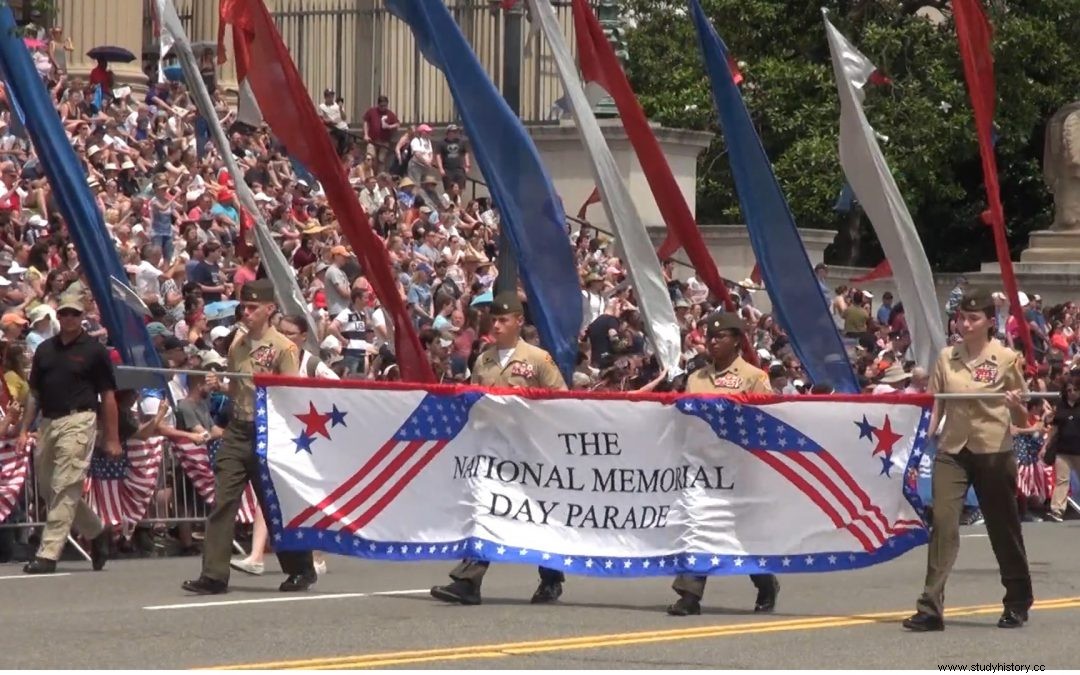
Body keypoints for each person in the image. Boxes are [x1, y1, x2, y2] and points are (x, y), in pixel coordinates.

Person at [903, 288, 1032, 632]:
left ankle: (1017, 601)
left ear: (991, 321)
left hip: (993, 451)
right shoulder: (947, 357)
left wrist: (1016, 403)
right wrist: (920, 446)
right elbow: (937, 406)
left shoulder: (1006, 358)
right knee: (944, 523)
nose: (965, 323)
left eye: (973, 318)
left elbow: (1023, 419)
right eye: (961, 317)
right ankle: (931, 606)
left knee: (1002, 527)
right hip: (953, 450)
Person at [430, 291, 567, 606]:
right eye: (494, 319)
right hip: (493, 450)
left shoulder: (537, 359)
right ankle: (468, 582)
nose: (497, 325)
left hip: (531, 450)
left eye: (504, 319)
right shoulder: (484, 359)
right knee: (485, 508)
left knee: (538, 515)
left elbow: (562, 400)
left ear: (519, 321)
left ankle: (550, 579)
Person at [182, 279, 316, 595]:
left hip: (268, 432)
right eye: (244, 306)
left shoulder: (284, 348)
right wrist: (221, 384)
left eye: (254, 307)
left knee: (274, 504)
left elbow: (291, 394)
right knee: (223, 500)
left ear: (270, 309)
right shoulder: (238, 345)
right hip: (238, 430)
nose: (247, 312)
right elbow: (237, 387)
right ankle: (214, 574)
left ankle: (300, 568)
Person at [667, 312, 780, 616]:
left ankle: (765, 580)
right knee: (699, 524)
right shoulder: (696, 378)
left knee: (741, 531)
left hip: (739, 466)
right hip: (701, 467)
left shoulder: (754, 377)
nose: (712, 341)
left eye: (720, 337)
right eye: (709, 336)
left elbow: (764, 421)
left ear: (737, 340)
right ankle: (689, 594)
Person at [17, 295, 118, 574]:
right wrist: (25, 429)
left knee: (65, 485)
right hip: (48, 421)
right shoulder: (45, 349)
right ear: (57, 317)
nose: (69, 319)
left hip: (80, 418)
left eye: (74, 314)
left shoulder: (95, 351)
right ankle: (97, 532)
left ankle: (48, 554)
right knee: (52, 489)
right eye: (64, 314)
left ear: (82, 316)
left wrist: (112, 437)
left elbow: (108, 395)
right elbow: (34, 394)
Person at [1044, 373, 1080, 523]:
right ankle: (1057, 510)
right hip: (1062, 450)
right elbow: (1054, 428)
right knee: (1061, 480)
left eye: (1075, 390)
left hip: (1079, 450)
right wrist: (1046, 445)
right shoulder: (1060, 406)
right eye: (1069, 390)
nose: (1072, 393)